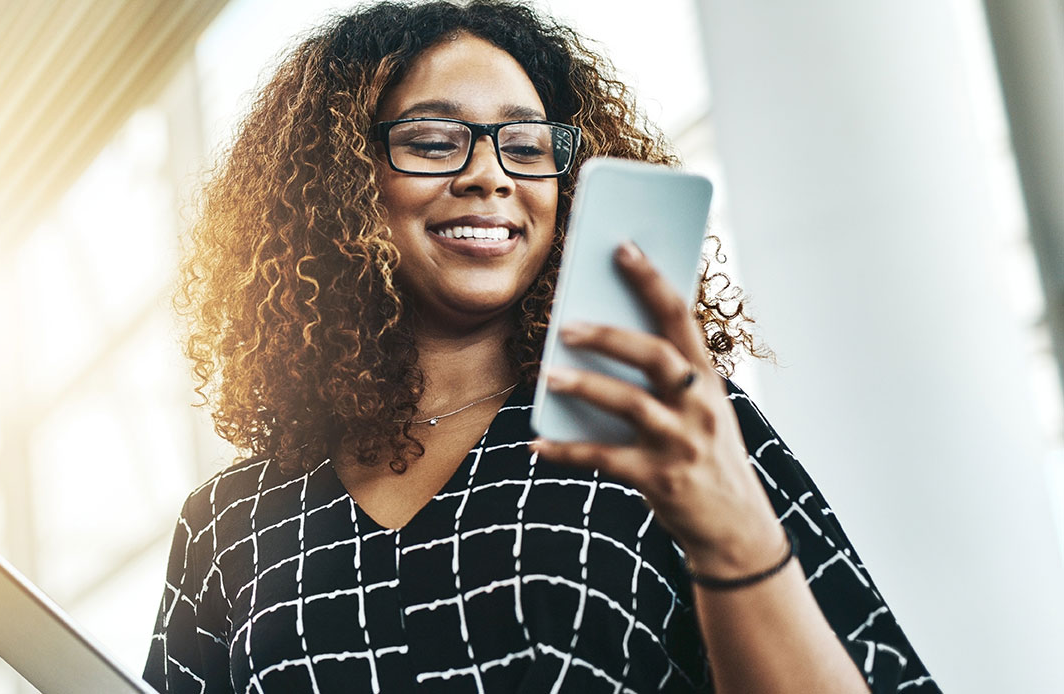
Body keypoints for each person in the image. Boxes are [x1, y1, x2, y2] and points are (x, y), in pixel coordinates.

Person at [143, 1, 938, 692]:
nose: (491, 177)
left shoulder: (665, 428)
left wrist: (733, 538)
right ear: (340, 180)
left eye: (525, 148)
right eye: (430, 141)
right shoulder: (228, 523)